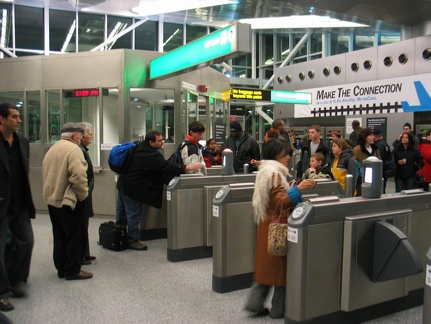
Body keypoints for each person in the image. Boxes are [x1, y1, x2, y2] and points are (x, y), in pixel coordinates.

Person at [245, 139, 314, 318]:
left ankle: (255, 303)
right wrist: (299, 188)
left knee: (266, 268)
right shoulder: (275, 173)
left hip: (267, 224)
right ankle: (278, 310)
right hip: (278, 226)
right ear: (276, 155)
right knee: (281, 270)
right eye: (285, 154)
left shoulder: (266, 171)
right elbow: (281, 201)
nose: (288, 157)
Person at [116, 130, 201, 251]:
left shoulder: (137, 147)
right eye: (160, 140)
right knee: (133, 215)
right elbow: (166, 166)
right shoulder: (151, 155)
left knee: (122, 212)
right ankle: (132, 240)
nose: (162, 142)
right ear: (151, 142)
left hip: (123, 185)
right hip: (134, 189)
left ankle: (118, 235)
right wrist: (187, 167)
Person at [42, 122, 92, 280]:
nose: (82, 137)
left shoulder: (53, 149)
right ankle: (73, 270)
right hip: (69, 202)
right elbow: (78, 177)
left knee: (59, 236)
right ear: (74, 135)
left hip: (53, 200)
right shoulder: (74, 150)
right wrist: (83, 195)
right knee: (75, 237)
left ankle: (62, 269)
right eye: (80, 135)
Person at [0, 103, 35, 311]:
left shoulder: (23, 142)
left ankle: (15, 280)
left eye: (19, 116)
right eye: (14, 117)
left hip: (20, 203)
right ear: (2, 119)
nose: (19, 120)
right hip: (1, 206)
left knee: (27, 242)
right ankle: (2, 292)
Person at [77, 122, 96, 265]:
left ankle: (85, 253)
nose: (92, 136)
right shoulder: (79, 151)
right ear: (82, 137)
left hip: (86, 192)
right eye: (90, 134)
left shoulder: (83, 149)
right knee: (80, 225)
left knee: (84, 224)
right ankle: (81, 256)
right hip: (82, 194)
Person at [353, 127, 381, 195]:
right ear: (365, 137)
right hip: (361, 181)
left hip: (374, 179)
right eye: (370, 135)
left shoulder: (375, 149)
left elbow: (379, 162)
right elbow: (354, 164)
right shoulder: (357, 150)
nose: (373, 137)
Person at [373, 128, 396, 193]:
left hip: (381, 170)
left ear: (374, 135)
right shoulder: (384, 143)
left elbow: (379, 159)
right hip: (386, 168)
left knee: (380, 189)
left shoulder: (378, 145)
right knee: (383, 187)